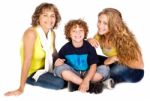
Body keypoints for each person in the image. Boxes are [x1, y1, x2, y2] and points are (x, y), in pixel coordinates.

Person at [4, 2, 66, 96]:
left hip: (47, 68)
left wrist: (59, 60)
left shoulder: (52, 33)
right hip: (32, 73)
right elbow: (27, 60)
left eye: (52, 16)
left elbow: (53, 52)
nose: (49, 19)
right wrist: (21, 88)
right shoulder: (31, 33)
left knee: (72, 66)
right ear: (38, 18)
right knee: (60, 83)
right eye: (45, 15)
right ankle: (30, 81)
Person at [88, 8, 144, 86]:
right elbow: (85, 49)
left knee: (115, 70)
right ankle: (100, 76)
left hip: (134, 71)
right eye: (99, 21)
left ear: (113, 25)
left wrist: (115, 58)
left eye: (105, 23)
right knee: (91, 58)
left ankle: (98, 78)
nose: (100, 26)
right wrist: (89, 41)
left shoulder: (124, 38)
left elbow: (140, 65)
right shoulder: (100, 35)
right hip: (114, 63)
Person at [53, 19, 110, 94]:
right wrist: (57, 63)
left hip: (88, 74)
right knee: (59, 69)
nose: (78, 33)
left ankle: (77, 84)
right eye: (74, 31)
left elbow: (93, 65)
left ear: (85, 32)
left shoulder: (89, 46)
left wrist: (86, 80)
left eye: (81, 30)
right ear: (69, 34)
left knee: (105, 69)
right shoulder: (65, 48)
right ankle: (91, 86)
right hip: (74, 74)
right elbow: (59, 64)